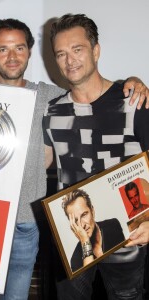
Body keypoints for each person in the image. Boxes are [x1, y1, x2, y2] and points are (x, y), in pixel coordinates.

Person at [0, 18, 148, 300]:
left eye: (19, 48)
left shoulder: (55, 99)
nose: (12, 57)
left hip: (52, 227)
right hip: (7, 223)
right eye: (3, 49)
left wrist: (134, 83)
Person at [43, 13, 149, 299]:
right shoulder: (51, 112)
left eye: (77, 50)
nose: (70, 61)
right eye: (61, 54)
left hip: (129, 235)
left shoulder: (133, 102)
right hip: (71, 235)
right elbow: (40, 162)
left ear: (96, 50)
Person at [62, 189, 125, 272]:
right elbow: (87, 283)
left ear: (92, 211)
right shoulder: (76, 259)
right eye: (76, 220)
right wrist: (85, 241)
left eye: (84, 215)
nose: (82, 225)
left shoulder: (113, 225)